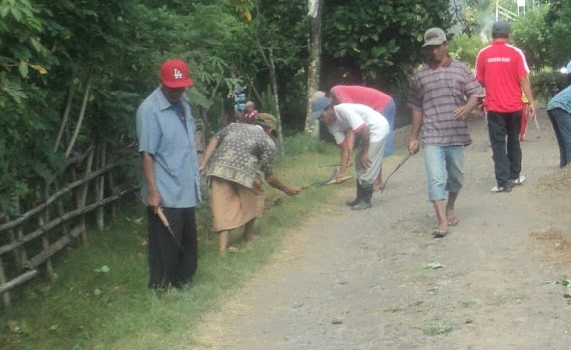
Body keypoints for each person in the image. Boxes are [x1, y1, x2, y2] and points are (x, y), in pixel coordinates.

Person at [407, 27, 484, 239]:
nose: (434, 51)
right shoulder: (420, 75)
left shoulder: (461, 69)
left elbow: (477, 93)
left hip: (455, 135)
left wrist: (467, 108)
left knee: (456, 177)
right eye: (430, 48)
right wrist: (413, 136)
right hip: (432, 136)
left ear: (446, 45)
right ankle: (442, 221)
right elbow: (416, 107)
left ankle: (450, 206)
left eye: (437, 46)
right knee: (435, 179)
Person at [137, 59, 204, 290]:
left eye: (181, 87)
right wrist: (153, 192)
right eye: (172, 87)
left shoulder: (184, 102)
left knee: (187, 239)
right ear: (160, 82)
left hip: (185, 184)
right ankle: (161, 287)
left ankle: (184, 283)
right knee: (164, 244)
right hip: (165, 189)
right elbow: (147, 154)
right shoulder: (149, 110)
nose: (177, 92)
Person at [199, 110, 299, 252]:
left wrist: (203, 163)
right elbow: (269, 177)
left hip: (218, 170)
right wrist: (286, 189)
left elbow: (214, 139)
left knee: (222, 207)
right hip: (245, 174)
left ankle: (222, 249)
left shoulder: (233, 126)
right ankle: (248, 235)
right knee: (255, 198)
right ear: (270, 130)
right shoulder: (267, 141)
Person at [475, 20, 533, 193]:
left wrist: (482, 100)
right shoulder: (516, 53)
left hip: (494, 108)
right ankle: (514, 176)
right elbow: (523, 79)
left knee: (498, 144)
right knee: (514, 140)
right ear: (508, 35)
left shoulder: (483, 54)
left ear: (492, 35)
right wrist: (531, 102)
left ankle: (503, 182)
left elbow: (479, 81)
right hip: (514, 107)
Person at [314, 96, 390, 209]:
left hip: (377, 127)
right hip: (367, 133)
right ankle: (359, 198)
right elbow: (345, 148)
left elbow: (365, 130)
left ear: (329, 109)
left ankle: (366, 201)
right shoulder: (331, 126)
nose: (321, 120)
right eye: (318, 118)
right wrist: (342, 173)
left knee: (368, 162)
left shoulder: (344, 111)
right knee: (358, 162)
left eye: (321, 116)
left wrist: (365, 153)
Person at [324, 82, 397, 166]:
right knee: (376, 145)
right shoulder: (336, 101)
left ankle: (383, 170)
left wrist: (349, 156)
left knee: (377, 145)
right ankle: (381, 170)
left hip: (383, 104)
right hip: (384, 103)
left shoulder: (337, 92)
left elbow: (351, 126)